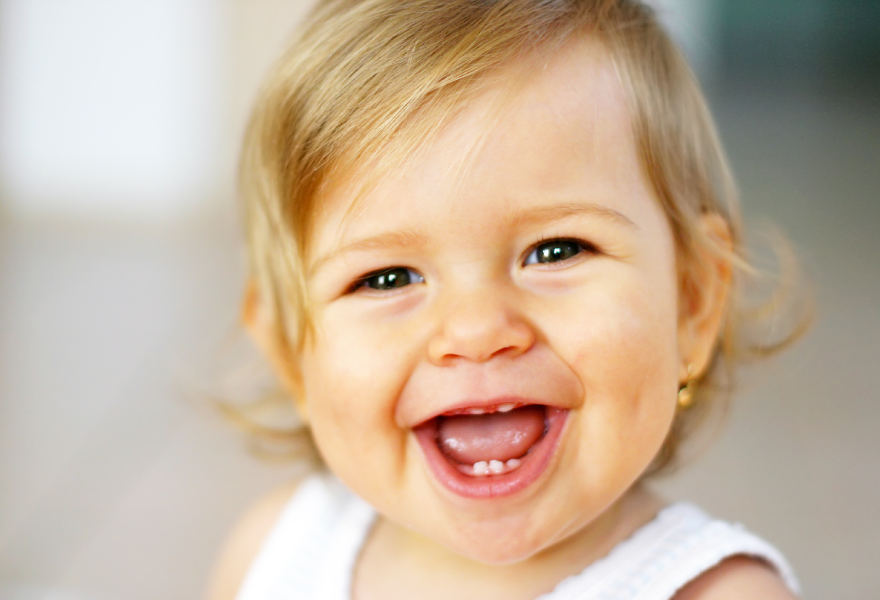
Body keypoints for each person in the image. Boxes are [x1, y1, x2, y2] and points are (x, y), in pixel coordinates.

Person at [208, 0, 805, 598]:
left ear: (692, 302)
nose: (476, 329)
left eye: (555, 251)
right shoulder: (274, 552)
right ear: (291, 353)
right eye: (387, 278)